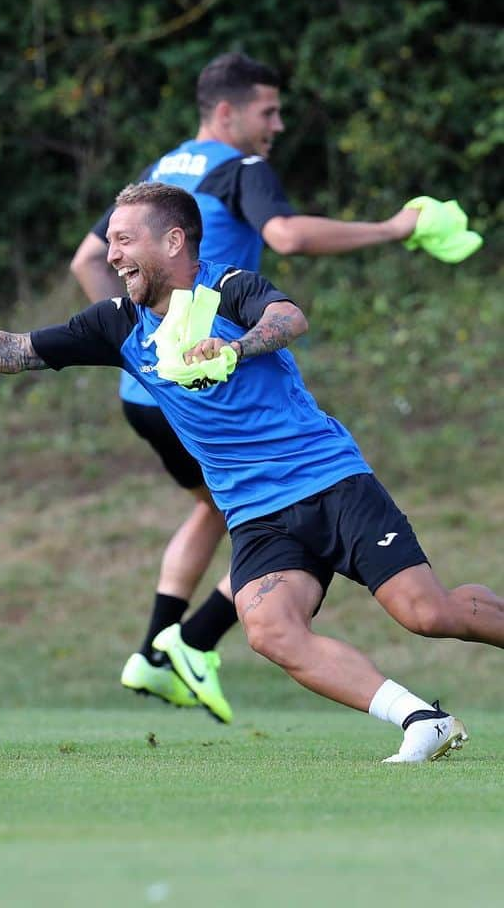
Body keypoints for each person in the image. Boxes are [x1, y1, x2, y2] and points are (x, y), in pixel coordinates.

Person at [0, 181, 503, 763]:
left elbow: (288, 317)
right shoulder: (116, 324)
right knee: (271, 631)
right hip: (256, 514)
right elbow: (13, 350)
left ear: (174, 240)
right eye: (110, 243)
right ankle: (422, 719)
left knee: (427, 613)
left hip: (329, 481)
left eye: (125, 241)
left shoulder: (230, 287)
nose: (111, 255)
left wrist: (235, 346)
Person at [70, 53, 422, 723]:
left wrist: (135, 345)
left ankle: (163, 646)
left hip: (152, 394)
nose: (277, 125)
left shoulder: (160, 173)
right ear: (226, 112)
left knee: (217, 504)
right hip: (206, 379)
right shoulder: (241, 168)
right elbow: (286, 235)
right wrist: (392, 228)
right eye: (269, 110)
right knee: (260, 495)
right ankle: (186, 645)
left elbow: (87, 259)